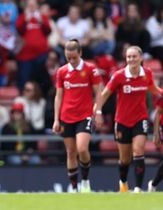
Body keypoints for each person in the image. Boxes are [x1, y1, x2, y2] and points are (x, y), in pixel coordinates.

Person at [96, 45, 161, 193]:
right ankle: (123, 183)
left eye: (134, 56)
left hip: (140, 119)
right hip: (122, 121)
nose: (131, 59)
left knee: (138, 151)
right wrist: (97, 111)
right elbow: (105, 94)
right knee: (125, 159)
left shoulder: (147, 74)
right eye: (128, 57)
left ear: (141, 58)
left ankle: (138, 188)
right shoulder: (119, 75)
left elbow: (154, 89)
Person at [52, 39, 102, 193]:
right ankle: (74, 188)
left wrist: (98, 111)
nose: (72, 61)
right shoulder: (61, 72)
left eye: (74, 57)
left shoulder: (91, 69)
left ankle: (85, 180)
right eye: (69, 58)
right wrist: (56, 119)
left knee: (82, 148)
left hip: (84, 114)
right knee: (71, 152)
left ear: (80, 53)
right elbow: (58, 96)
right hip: (66, 116)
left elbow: (98, 92)